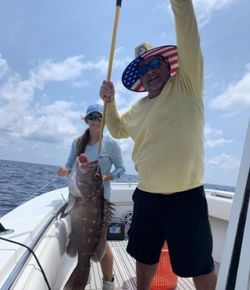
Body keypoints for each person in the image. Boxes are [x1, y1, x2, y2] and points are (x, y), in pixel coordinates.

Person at [99, 0, 217, 289]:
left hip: (186, 197)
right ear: (139, 78)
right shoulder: (137, 110)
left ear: (168, 66)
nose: (150, 70)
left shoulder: (188, 85)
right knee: (144, 255)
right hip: (147, 197)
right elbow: (116, 128)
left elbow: (186, 23)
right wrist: (111, 103)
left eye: (155, 63)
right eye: (144, 67)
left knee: (199, 264)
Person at [57, 103, 125, 290]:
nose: (95, 121)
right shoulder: (78, 142)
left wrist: (105, 177)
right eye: (92, 117)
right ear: (86, 120)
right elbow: (70, 165)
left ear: (104, 121)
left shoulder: (111, 144)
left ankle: (108, 282)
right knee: (78, 236)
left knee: (101, 241)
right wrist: (64, 171)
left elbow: (121, 169)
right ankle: (82, 273)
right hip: (78, 197)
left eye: (99, 117)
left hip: (100, 200)